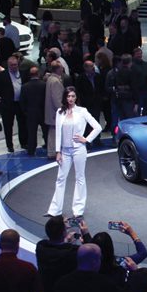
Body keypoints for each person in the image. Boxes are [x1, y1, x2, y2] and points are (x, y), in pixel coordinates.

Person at [46, 86, 102, 220]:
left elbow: (98, 127)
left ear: (76, 98)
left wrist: (87, 139)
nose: (70, 99)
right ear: (65, 97)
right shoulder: (60, 112)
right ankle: (54, 210)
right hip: (64, 151)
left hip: (78, 149)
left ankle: (78, 210)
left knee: (80, 178)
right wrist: (57, 151)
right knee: (60, 178)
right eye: (68, 96)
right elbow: (58, 132)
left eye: (73, 96)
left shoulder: (82, 111)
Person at [0, 55, 27, 153]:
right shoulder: (1, 76)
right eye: (12, 65)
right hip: (8, 105)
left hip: (20, 104)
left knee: (22, 124)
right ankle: (10, 145)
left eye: (15, 65)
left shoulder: (23, 73)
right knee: (8, 126)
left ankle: (24, 142)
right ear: (8, 65)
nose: (14, 67)